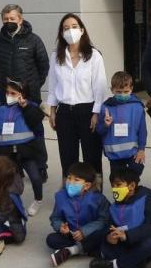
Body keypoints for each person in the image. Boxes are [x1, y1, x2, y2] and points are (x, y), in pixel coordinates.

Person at [45, 13, 108, 179]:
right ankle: (71, 196)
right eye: (66, 28)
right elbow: (53, 85)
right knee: (67, 158)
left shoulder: (94, 56)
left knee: (92, 157)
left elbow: (100, 87)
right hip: (64, 112)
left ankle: (95, 196)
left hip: (88, 111)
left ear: (81, 30)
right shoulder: (56, 56)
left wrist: (96, 113)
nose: (70, 31)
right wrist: (52, 111)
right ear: (61, 33)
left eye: (74, 27)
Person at [90, 167, 151, 268]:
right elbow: (109, 226)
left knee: (149, 244)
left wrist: (127, 235)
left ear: (132, 185)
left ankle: (114, 265)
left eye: (118, 185)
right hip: (128, 242)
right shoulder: (115, 205)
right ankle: (143, 262)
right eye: (112, 185)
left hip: (150, 240)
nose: (114, 188)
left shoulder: (146, 198)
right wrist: (109, 236)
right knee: (103, 243)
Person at [0, 80, 47, 216]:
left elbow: (37, 119)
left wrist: (26, 107)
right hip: (7, 152)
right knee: (7, 180)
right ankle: (8, 203)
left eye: (13, 93)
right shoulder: (1, 108)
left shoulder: (29, 106)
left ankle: (38, 200)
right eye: (7, 92)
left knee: (35, 178)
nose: (9, 95)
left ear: (22, 95)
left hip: (26, 151)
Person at [47, 162, 109, 266]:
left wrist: (84, 231)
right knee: (51, 239)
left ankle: (72, 250)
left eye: (76, 180)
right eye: (69, 178)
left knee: (102, 235)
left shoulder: (98, 199)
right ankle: (87, 249)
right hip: (71, 235)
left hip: (90, 234)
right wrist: (61, 227)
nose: (70, 182)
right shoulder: (61, 196)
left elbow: (104, 220)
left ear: (87, 185)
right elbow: (55, 217)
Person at [0, 4, 50, 102]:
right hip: (6, 94)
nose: (9, 21)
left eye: (12, 19)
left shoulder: (33, 40)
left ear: (20, 20)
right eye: (6, 19)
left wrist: (34, 85)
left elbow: (44, 66)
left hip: (29, 96)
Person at [96, 71, 148, 178]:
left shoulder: (137, 107)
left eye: (126, 91)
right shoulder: (105, 107)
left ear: (131, 89)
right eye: (118, 92)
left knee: (132, 182)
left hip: (132, 154)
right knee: (117, 182)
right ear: (112, 90)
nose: (122, 95)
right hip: (114, 155)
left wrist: (141, 149)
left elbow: (142, 130)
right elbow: (99, 130)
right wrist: (105, 125)